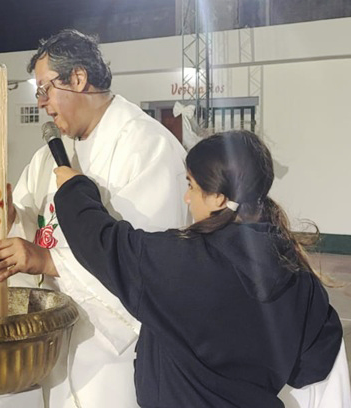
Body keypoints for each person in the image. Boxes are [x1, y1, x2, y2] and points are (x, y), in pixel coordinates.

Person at [50, 130, 350, 407]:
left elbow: (100, 241)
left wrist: (73, 186)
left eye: (191, 186)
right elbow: (315, 368)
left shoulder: (184, 263)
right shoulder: (298, 275)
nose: (186, 197)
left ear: (219, 198)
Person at [0, 29, 188, 408]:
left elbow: (146, 260)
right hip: (53, 338)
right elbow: (39, 227)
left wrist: (46, 261)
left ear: (78, 78)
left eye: (45, 89)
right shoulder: (51, 153)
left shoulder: (146, 146)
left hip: (113, 349)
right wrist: (9, 214)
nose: (42, 103)